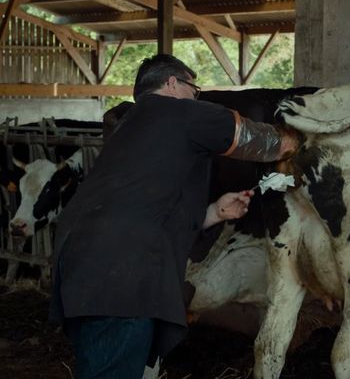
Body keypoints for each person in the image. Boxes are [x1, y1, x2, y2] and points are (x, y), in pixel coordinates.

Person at [49, 54, 298, 378]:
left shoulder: (130, 126)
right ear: (171, 83)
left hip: (82, 267)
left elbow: (147, 206)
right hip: (122, 273)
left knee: (102, 365)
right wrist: (300, 138)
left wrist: (213, 212)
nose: (197, 96)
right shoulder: (178, 110)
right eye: (194, 89)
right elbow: (262, 142)